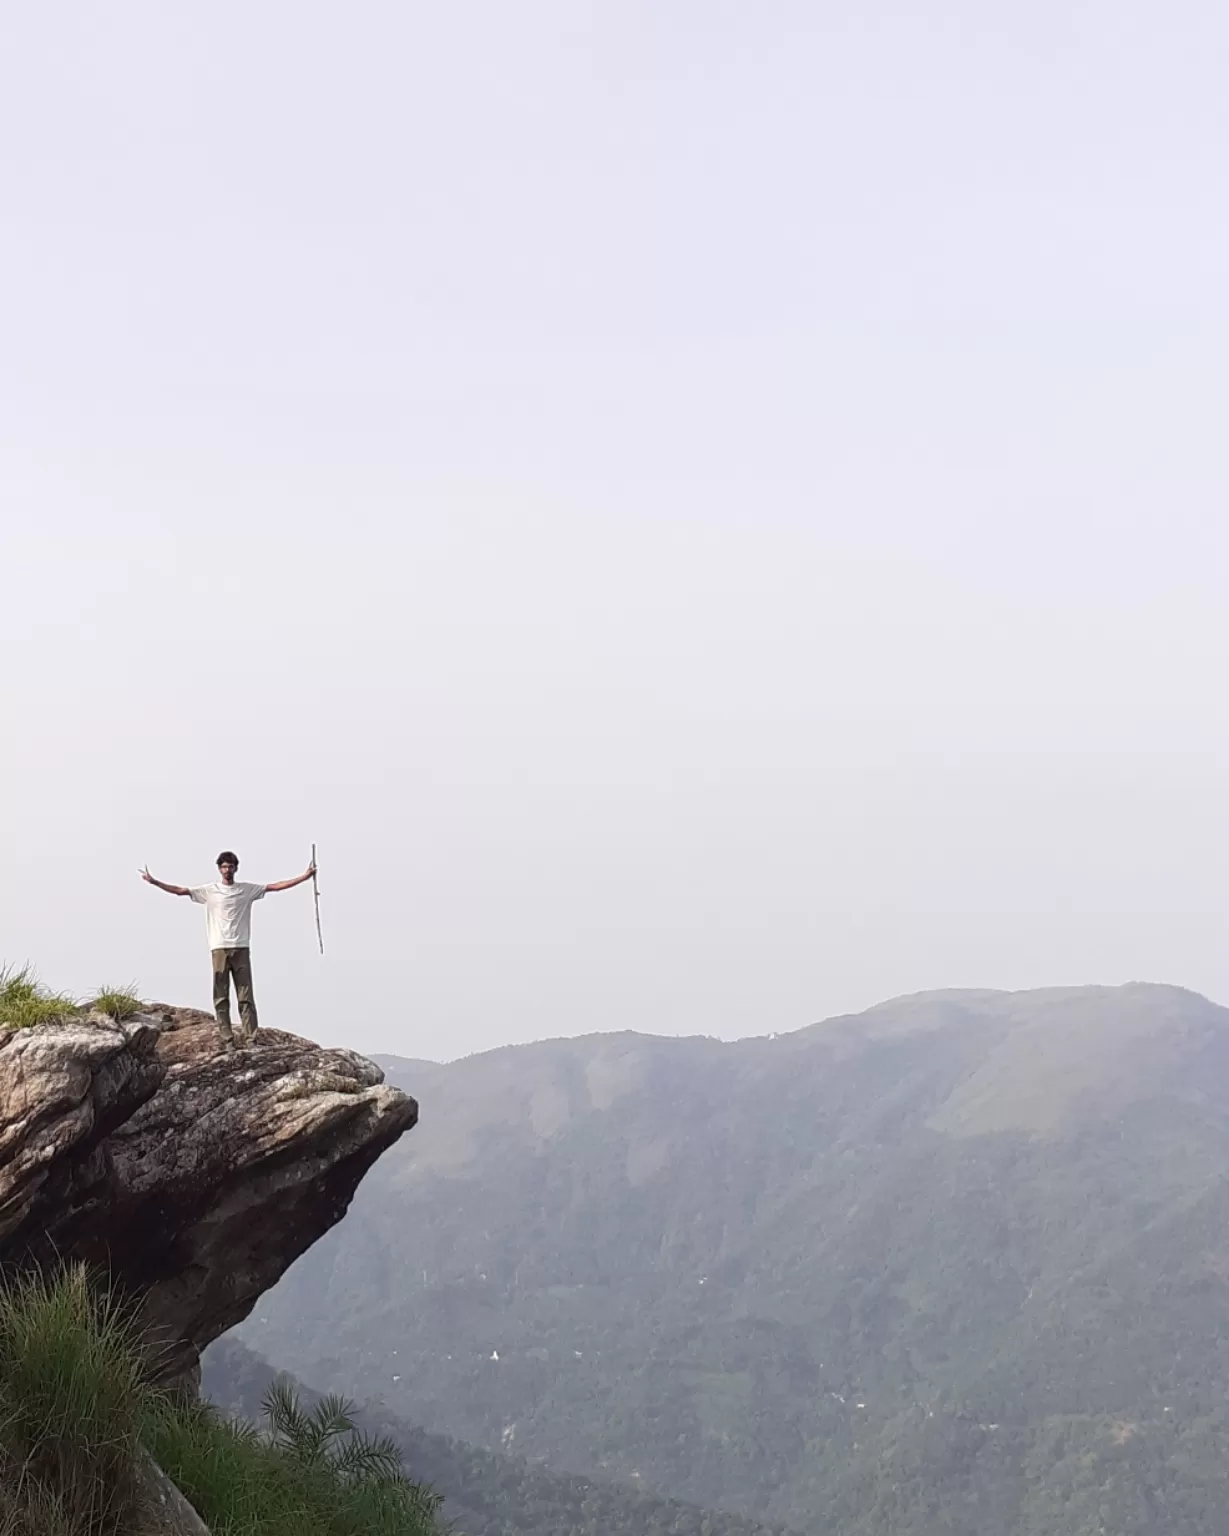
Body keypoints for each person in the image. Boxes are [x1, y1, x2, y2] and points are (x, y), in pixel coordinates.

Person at [141, 850, 316, 1049]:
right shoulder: (210, 891)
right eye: (224, 866)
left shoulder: (246, 890)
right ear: (219, 868)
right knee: (221, 996)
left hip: (241, 947)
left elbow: (275, 886)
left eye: (230, 866)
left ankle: (251, 1039)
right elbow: (181, 891)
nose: (227, 870)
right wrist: (154, 882)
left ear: (236, 868)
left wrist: (304, 877)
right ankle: (227, 1040)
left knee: (245, 997)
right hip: (219, 948)